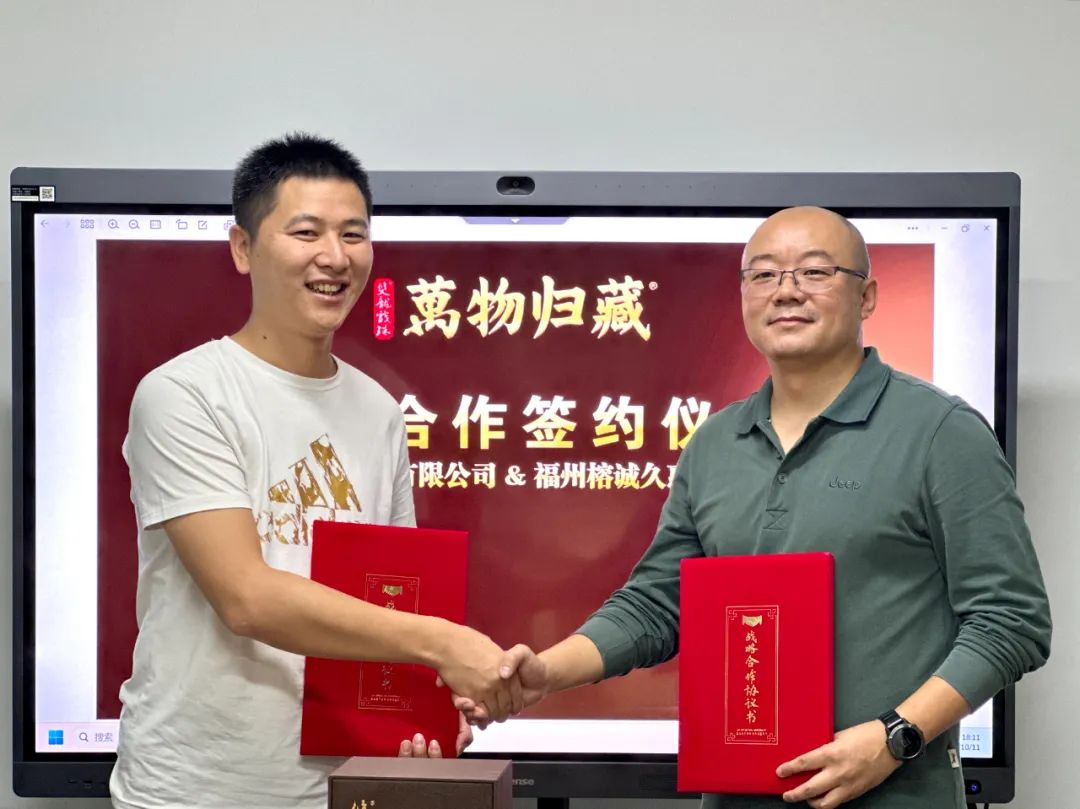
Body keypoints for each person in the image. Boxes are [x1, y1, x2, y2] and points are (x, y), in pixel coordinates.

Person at [460, 206, 1052, 809]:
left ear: (867, 296)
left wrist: (894, 737)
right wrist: (546, 673)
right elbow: (658, 604)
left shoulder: (941, 431)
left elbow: (1012, 621)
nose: (786, 291)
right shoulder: (715, 444)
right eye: (763, 274)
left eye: (815, 272)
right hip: (736, 795)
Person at [111, 133, 521, 809]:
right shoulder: (185, 393)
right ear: (243, 248)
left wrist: (430, 702)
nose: (334, 256)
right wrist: (443, 644)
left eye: (353, 234)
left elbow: (394, 601)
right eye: (306, 232)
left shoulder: (379, 409)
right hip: (197, 788)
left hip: (342, 784)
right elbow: (246, 597)